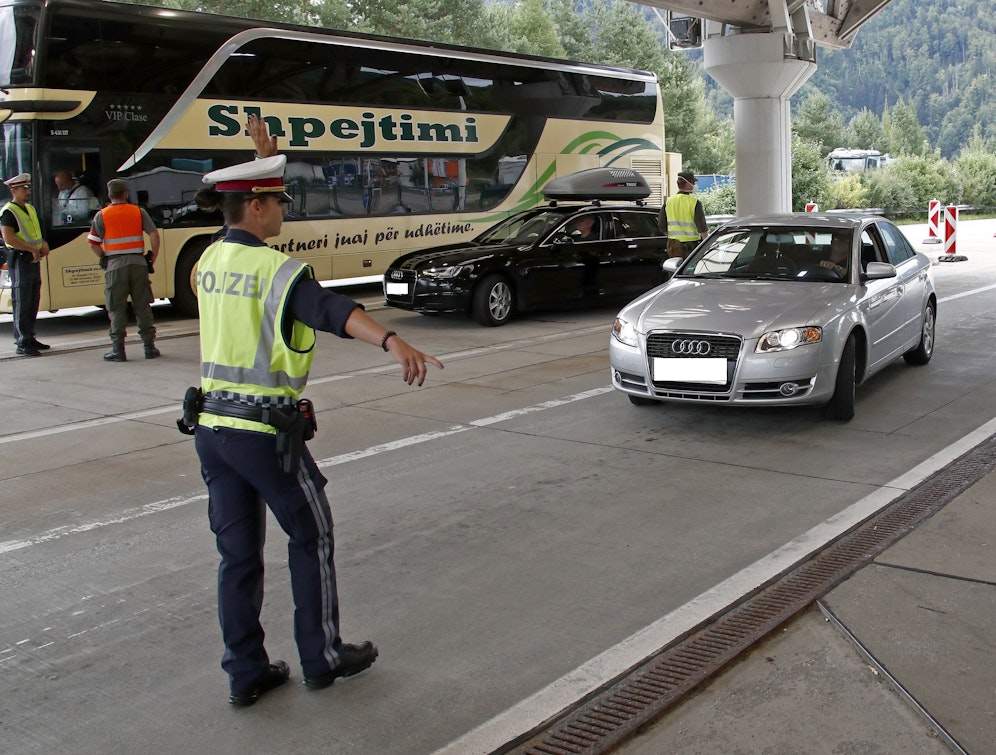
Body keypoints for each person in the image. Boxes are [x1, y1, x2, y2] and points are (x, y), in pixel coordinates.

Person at [187, 153, 443, 708]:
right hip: (263, 435)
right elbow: (328, 308)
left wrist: (259, 157)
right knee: (312, 536)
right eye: (277, 199)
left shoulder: (208, 259)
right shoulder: (277, 269)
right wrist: (391, 340)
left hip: (211, 429)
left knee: (237, 557)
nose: (284, 207)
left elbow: (235, 231)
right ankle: (322, 657)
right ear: (255, 207)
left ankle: (245, 671)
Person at [87, 177, 161, 361]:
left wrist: (104, 257)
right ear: (126, 194)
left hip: (115, 266)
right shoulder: (138, 211)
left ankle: (118, 350)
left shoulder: (102, 215)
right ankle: (149, 348)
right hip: (138, 264)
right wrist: (153, 256)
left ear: (110, 195)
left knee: (116, 307)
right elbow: (154, 234)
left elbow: (93, 243)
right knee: (142, 305)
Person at [1, 173, 50, 356]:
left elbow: (37, 230)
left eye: (28, 187)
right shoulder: (8, 212)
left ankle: (30, 336)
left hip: (33, 259)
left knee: (32, 299)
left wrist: (43, 243)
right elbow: (9, 238)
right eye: (24, 188)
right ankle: (22, 341)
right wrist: (31, 248)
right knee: (22, 301)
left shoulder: (30, 208)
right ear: (14, 190)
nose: (27, 191)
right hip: (21, 259)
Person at [659, 171, 708, 259]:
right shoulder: (695, 203)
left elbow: (661, 226)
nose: (694, 185)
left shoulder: (668, 202)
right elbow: (702, 228)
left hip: (673, 245)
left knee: (674, 269)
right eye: (693, 182)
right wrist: (707, 246)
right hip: (691, 246)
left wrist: (673, 237)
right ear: (687, 183)